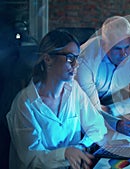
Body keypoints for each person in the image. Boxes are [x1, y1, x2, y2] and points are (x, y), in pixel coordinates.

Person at [6, 30, 107, 169]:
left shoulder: (74, 90)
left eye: (78, 58)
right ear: (47, 59)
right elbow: (31, 159)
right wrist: (65, 153)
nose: (76, 64)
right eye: (70, 58)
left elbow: (98, 126)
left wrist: (80, 147)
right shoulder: (25, 103)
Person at [76, 16, 130, 136]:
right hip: (82, 106)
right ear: (103, 44)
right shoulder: (85, 59)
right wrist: (117, 124)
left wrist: (112, 110)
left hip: (114, 103)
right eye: (117, 49)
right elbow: (89, 111)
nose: (124, 54)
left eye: (128, 47)